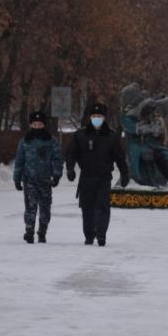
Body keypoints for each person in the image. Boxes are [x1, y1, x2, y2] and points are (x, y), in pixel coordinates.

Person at [66, 102, 129, 246]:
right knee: (87, 208)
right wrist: (70, 168)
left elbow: (119, 156)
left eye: (99, 116)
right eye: (94, 116)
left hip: (104, 177)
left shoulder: (111, 136)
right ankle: (89, 235)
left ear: (104, 118)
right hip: (86, 177)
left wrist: (125, 173)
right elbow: (71, 153)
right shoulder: (81, 135)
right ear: (90, 117)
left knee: (102, 206)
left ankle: (101, 235)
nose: (96, 118)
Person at [13, 111, 63, 243]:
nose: (36, 127)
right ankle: (29, 230)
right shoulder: (25, 141)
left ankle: (42, 231)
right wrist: (17, 178)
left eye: (39, 124)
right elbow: (19, 160)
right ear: (30, 125)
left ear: (44, 125)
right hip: (29, 179)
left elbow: (57, 159)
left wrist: (57, 175)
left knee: (45, 208)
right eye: (34, 124)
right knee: (30, 206)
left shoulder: (51, 141)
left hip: (45, 180)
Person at [133, 100, 168, 189]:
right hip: (146, 147)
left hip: (158, 148)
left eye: (153, 113)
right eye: (150, 113)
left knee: (167, 156)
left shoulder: (158, 122)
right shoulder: (140, 124)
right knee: (147, 155)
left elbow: (158, 132)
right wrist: (151, 128)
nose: (153, 115)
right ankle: (152, 181)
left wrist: (152, 126)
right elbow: (141, 131)